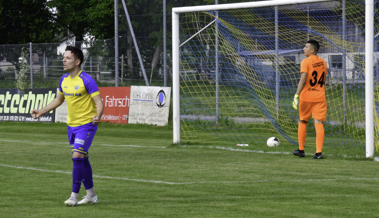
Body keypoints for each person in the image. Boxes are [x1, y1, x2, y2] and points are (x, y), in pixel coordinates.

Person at [31, 46, 104, 206]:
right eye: (64, 57)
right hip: (71, 126)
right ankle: (91, 195)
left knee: (77, 156)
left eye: (68, 58)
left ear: (77, 62)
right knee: (82, 158)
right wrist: (41, 112)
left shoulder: (87, 79)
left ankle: (74, 196)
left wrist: (97, 116)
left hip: (87, 125)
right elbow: (59, 100)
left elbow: (99, 102)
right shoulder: (63, 80)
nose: (64, 60)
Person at [292, 40, 328, 159]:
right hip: (320, 96)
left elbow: (303, 80)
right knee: (318, 123)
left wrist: (296, 95)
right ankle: (318, 153)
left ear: (312, 50)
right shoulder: (323, 62)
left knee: (303, 121)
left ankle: (301, 150)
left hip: (306, 96)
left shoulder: (305, 61)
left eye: (306, 47)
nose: (303, 48)